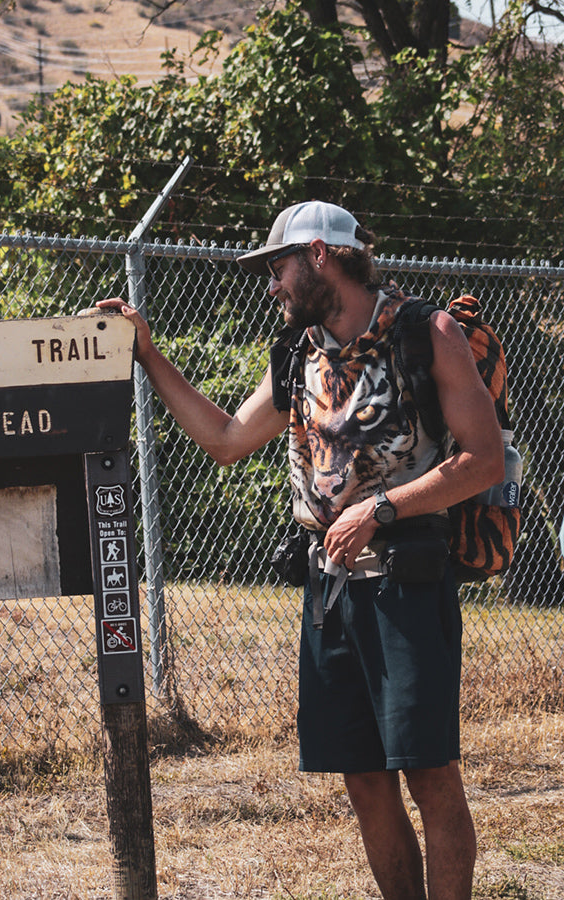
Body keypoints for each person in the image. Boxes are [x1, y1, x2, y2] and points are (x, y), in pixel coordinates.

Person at [97, 200, 504, 900]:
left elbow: (485, 459)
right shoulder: (297, 353)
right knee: (365, 780)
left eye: (277, 267)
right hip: (331, 592)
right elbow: (225, 441)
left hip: (407, 582)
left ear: (319, 255)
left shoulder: (424, 332)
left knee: (430, 773)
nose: (271, 284)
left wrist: (382, 508)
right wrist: (149, 355)